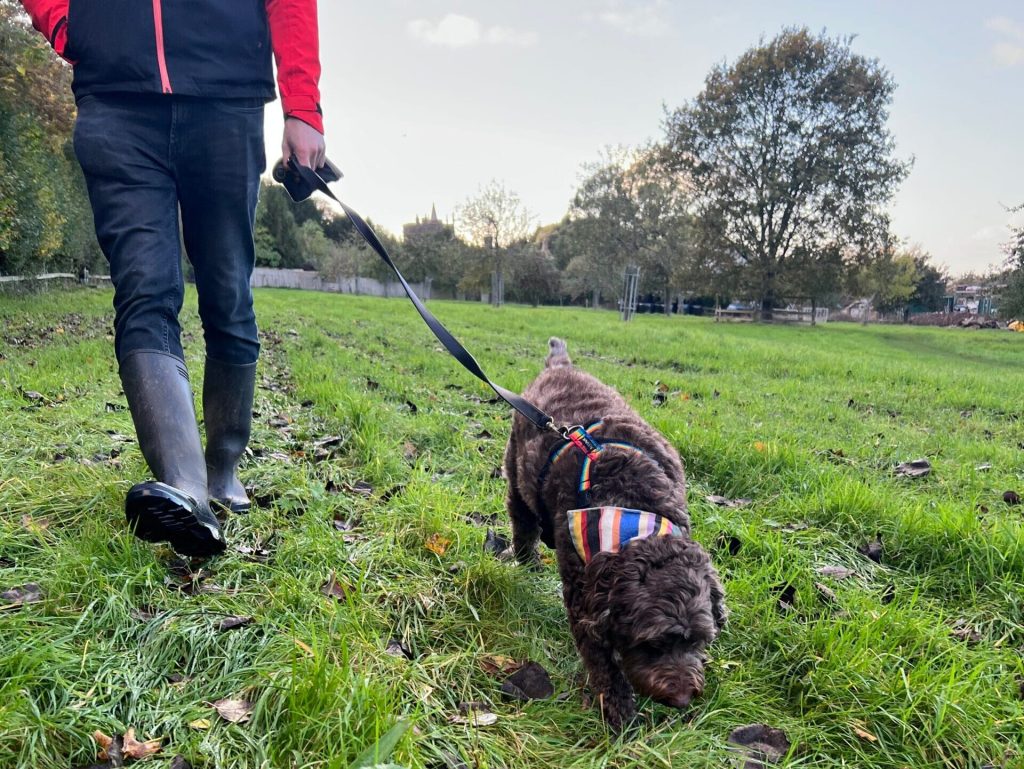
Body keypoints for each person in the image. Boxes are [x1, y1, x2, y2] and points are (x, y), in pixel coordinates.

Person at [19, 0, 326, 557]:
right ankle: (186, 491)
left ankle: (222, 466)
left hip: (226, 96)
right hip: (116, 99)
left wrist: (302, 106)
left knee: (227, 294)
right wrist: (69, 22)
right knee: (144, 291)